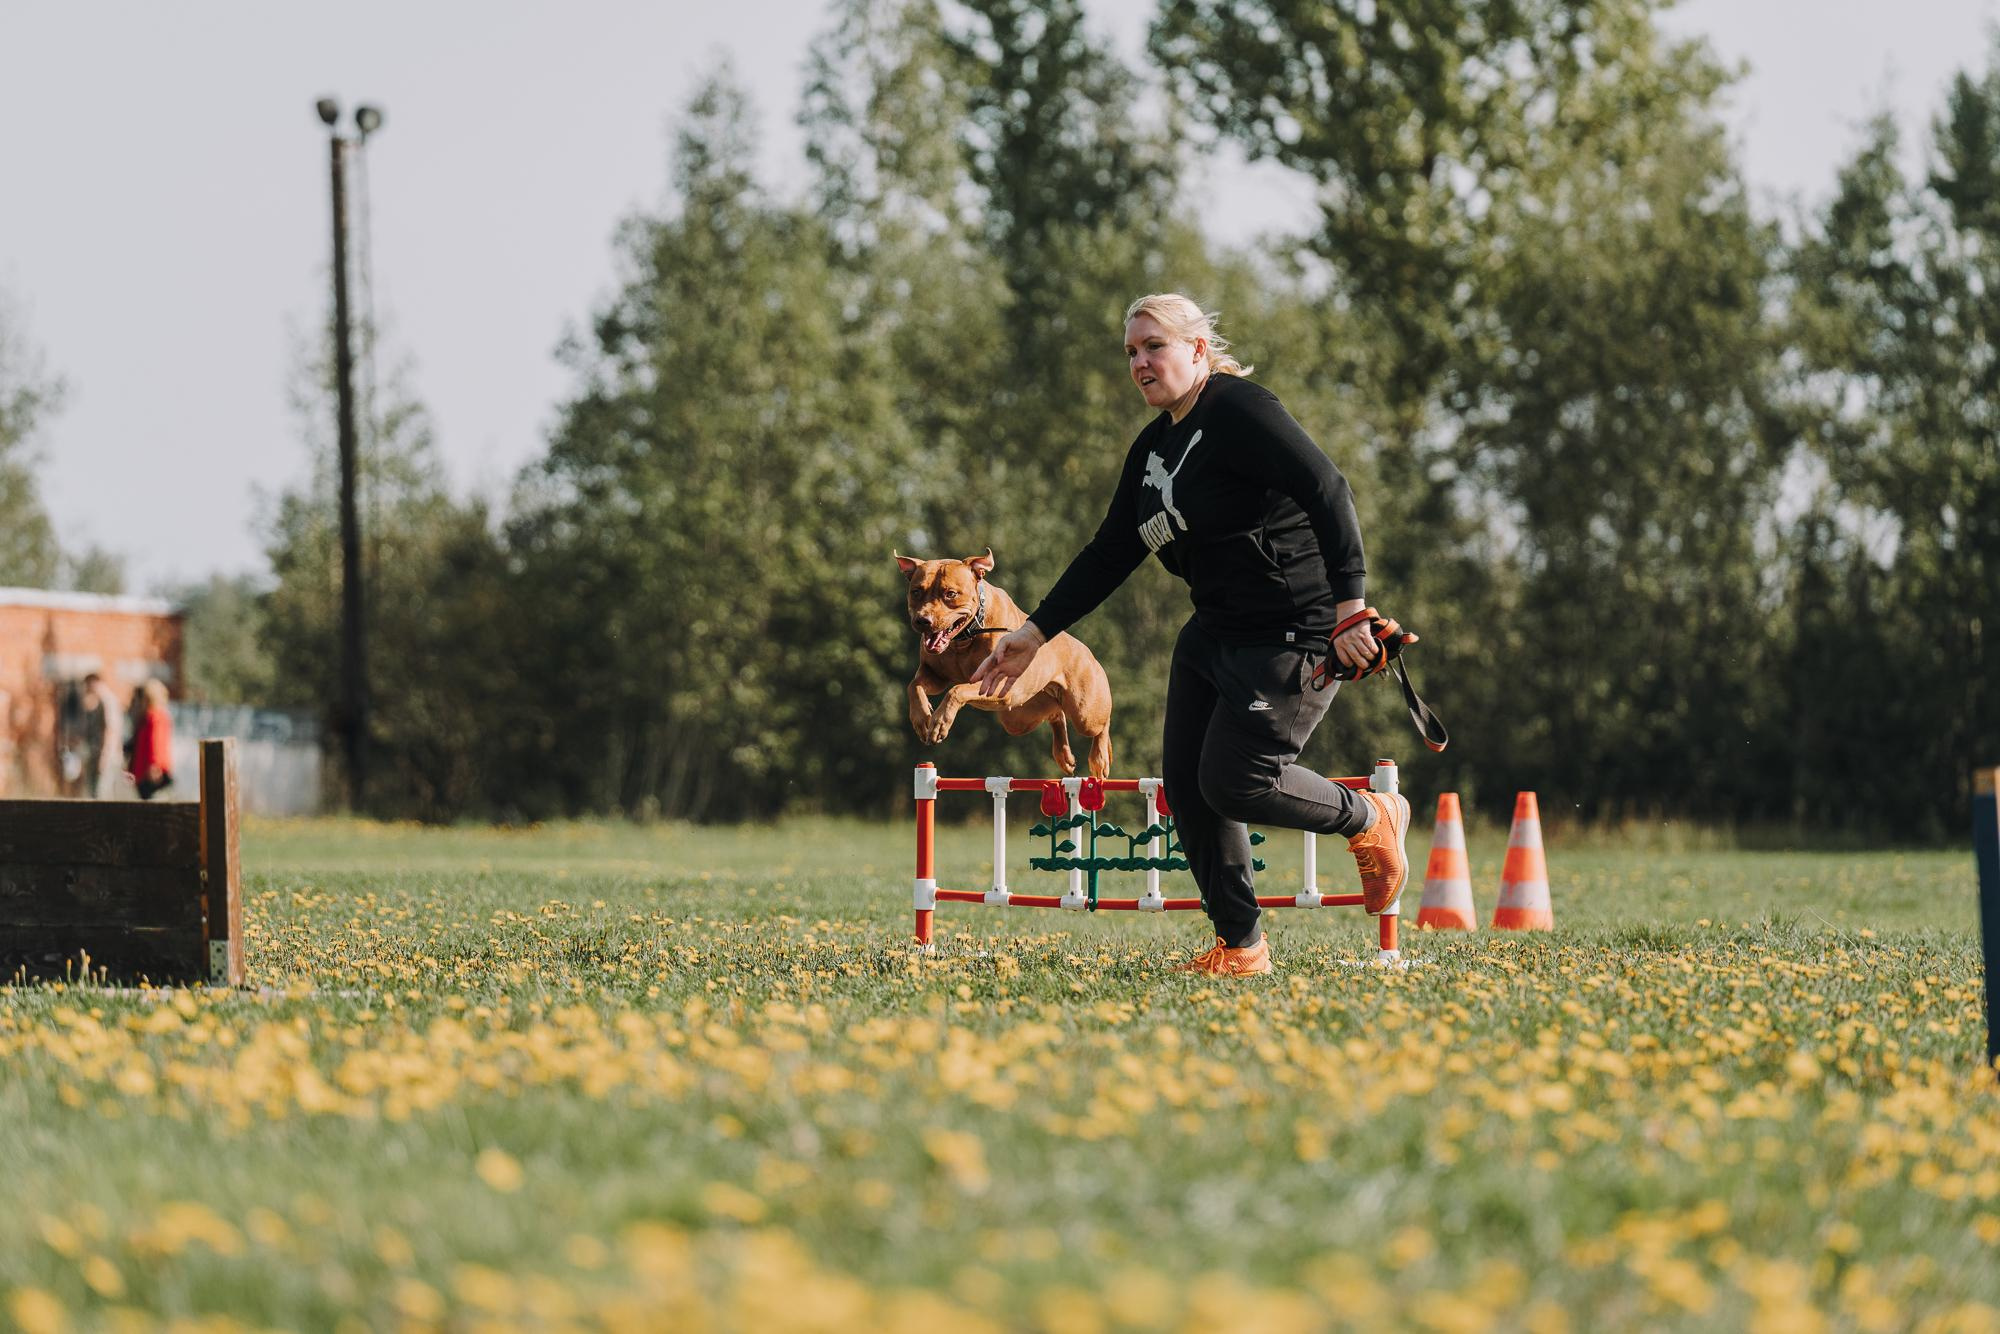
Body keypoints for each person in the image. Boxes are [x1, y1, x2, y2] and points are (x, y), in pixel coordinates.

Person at [974, 292, 1411, 977]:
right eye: (1131, 352)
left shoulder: (1239, 409)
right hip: (1212, 635)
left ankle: (1369, 817)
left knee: (1237, 781)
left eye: (1154, 346)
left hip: (1292, 633)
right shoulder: (1154, 448)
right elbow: (1109, 552)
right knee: (1188, 785)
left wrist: (1349, 606)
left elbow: (1328, 487)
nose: (1140, 362)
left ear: (1198, 350)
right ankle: (1241, 948)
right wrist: (1033, 632)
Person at [79, 673, 125, 799]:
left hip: (106, 756)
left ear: (94, 684)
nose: (86, 690)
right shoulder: (99, 701)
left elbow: (111, 731)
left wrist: (105, 756)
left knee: (101, 794)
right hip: (98, 754)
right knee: (94, 793)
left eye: (87, 686)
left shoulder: (108, 701)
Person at [127, 678, 175, 800]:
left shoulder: (156, 716)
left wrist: (155, 765)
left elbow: (157, 742)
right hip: (143, 771)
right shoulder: (147, 717)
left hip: (151, 771)